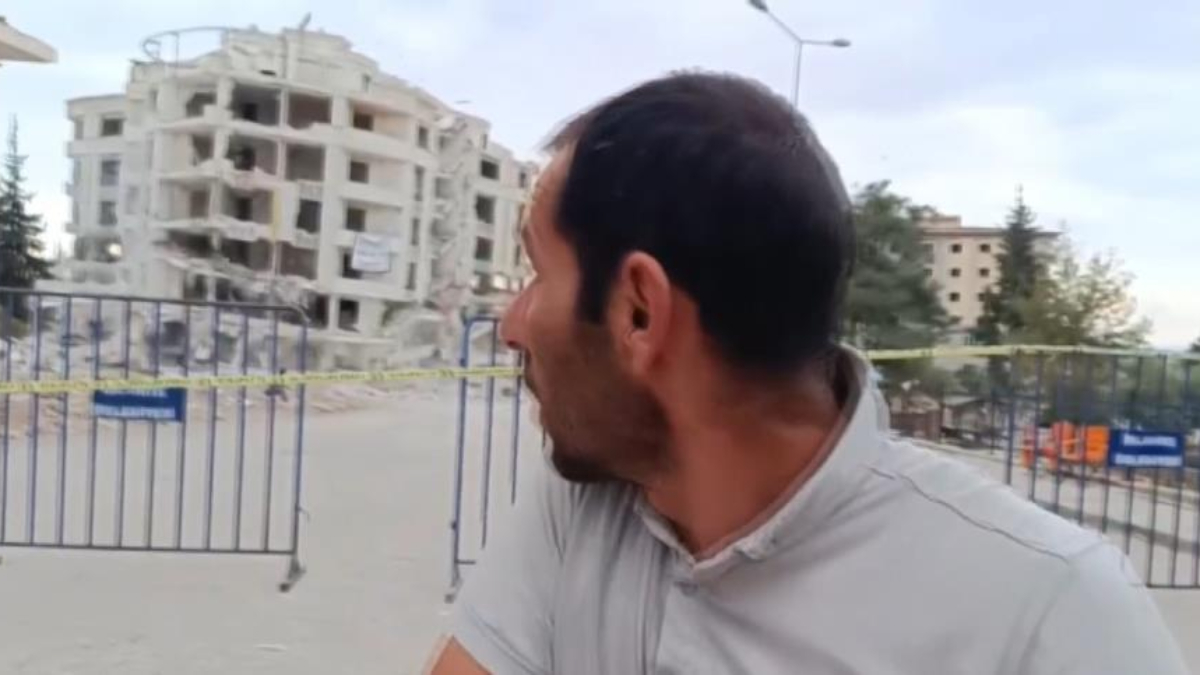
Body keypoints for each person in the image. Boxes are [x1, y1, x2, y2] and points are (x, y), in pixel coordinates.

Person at [427, 72, 1186, 674]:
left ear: (639, 312)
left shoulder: (1049, 611)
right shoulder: (584, 506)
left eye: (538, 274)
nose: (512, 325)